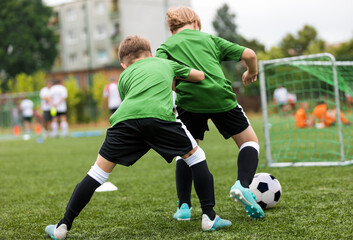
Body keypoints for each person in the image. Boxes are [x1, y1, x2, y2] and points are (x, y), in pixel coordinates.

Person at [45, 35, 231, 240]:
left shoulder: (123, 77)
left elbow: (132, 102)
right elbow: (199, 76)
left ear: (123, 64)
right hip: (160, 118)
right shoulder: (165, 63)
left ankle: (62, 227)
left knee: (97, 173)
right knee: (196, 157)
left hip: (124, 121)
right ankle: (209, 217)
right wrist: (175, 77)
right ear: (150, 53)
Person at [156, 7, 264, 220]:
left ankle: (184, 207)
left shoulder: (165, 47)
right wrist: (251, 72)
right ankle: (242, 184)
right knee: (249, 142)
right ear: (196, 23)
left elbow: (165, 76)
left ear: (171, 29)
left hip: (189, 102)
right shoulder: (209, 39)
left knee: (187, 152)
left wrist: (178, 88)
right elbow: (250, 54)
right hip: (220, 96)